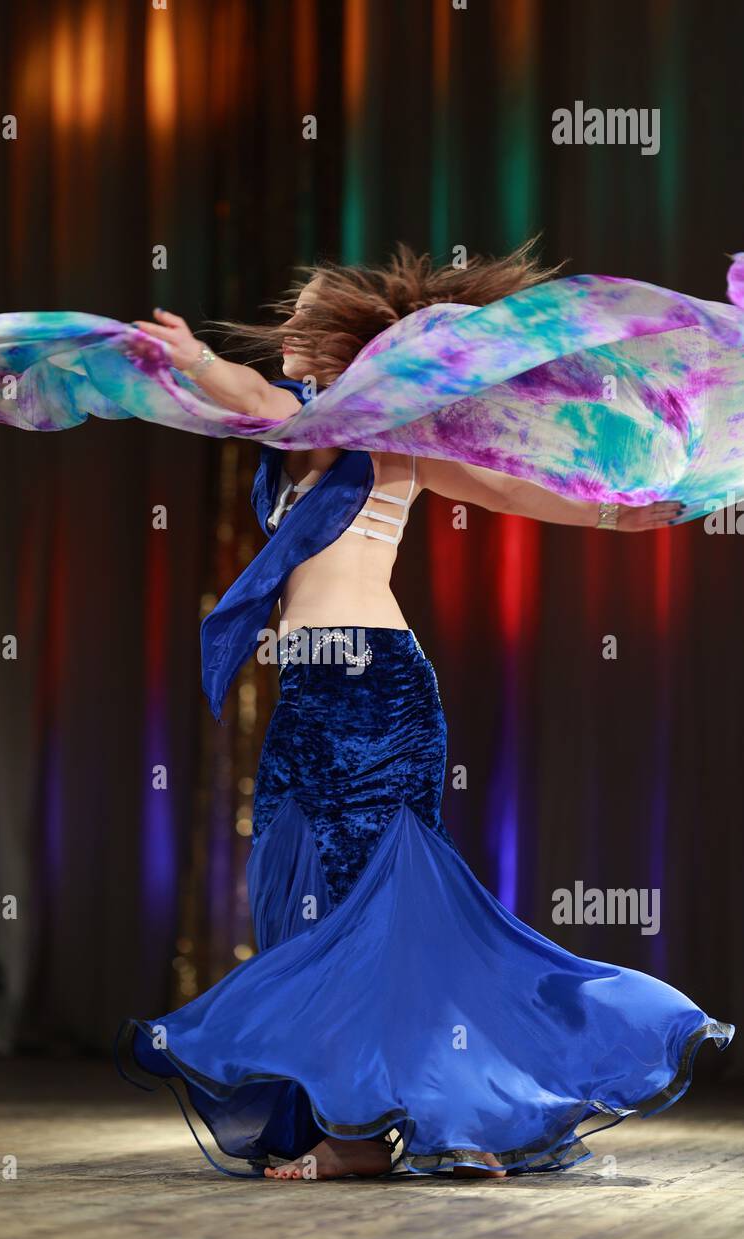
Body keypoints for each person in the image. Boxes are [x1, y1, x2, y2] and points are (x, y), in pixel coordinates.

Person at [112, 245, 734, 1180]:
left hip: (371, 687)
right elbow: (265, 411)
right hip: (316, 688)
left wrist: (616, 517)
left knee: (369, 908)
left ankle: (361, 1136)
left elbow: (504, 487)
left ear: (337, 348)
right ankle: (405, 1108)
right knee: (304, 888)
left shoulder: (357, 430)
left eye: (301, 326)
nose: (286, 337)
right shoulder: (327, 437)